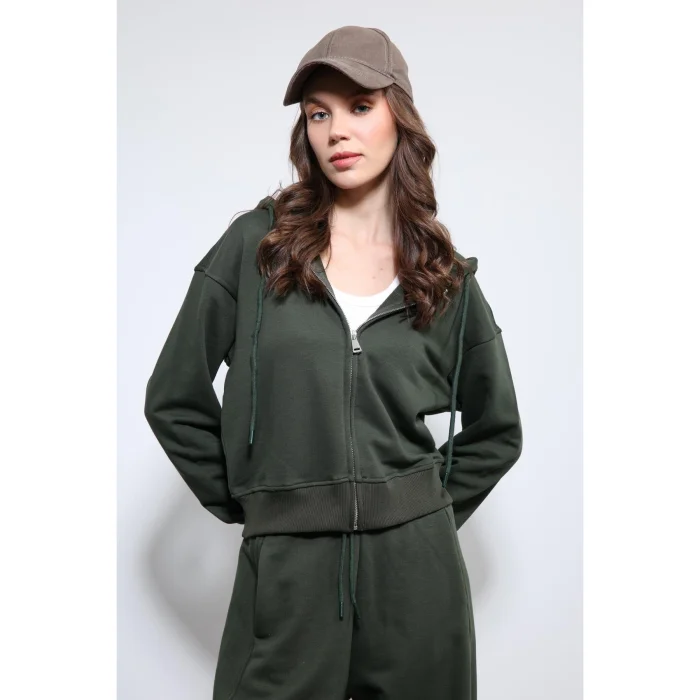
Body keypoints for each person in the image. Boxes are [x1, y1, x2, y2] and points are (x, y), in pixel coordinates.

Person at [144, 24, 523, 700]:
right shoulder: (257, 248)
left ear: (399, 117)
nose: (336, 131)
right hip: (289, 573)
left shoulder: (442, 278)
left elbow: (498, 430)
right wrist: (263, 502)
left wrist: (419, 511)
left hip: (417, 577)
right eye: (318, 114)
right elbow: (173, 397)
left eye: (360, 106)